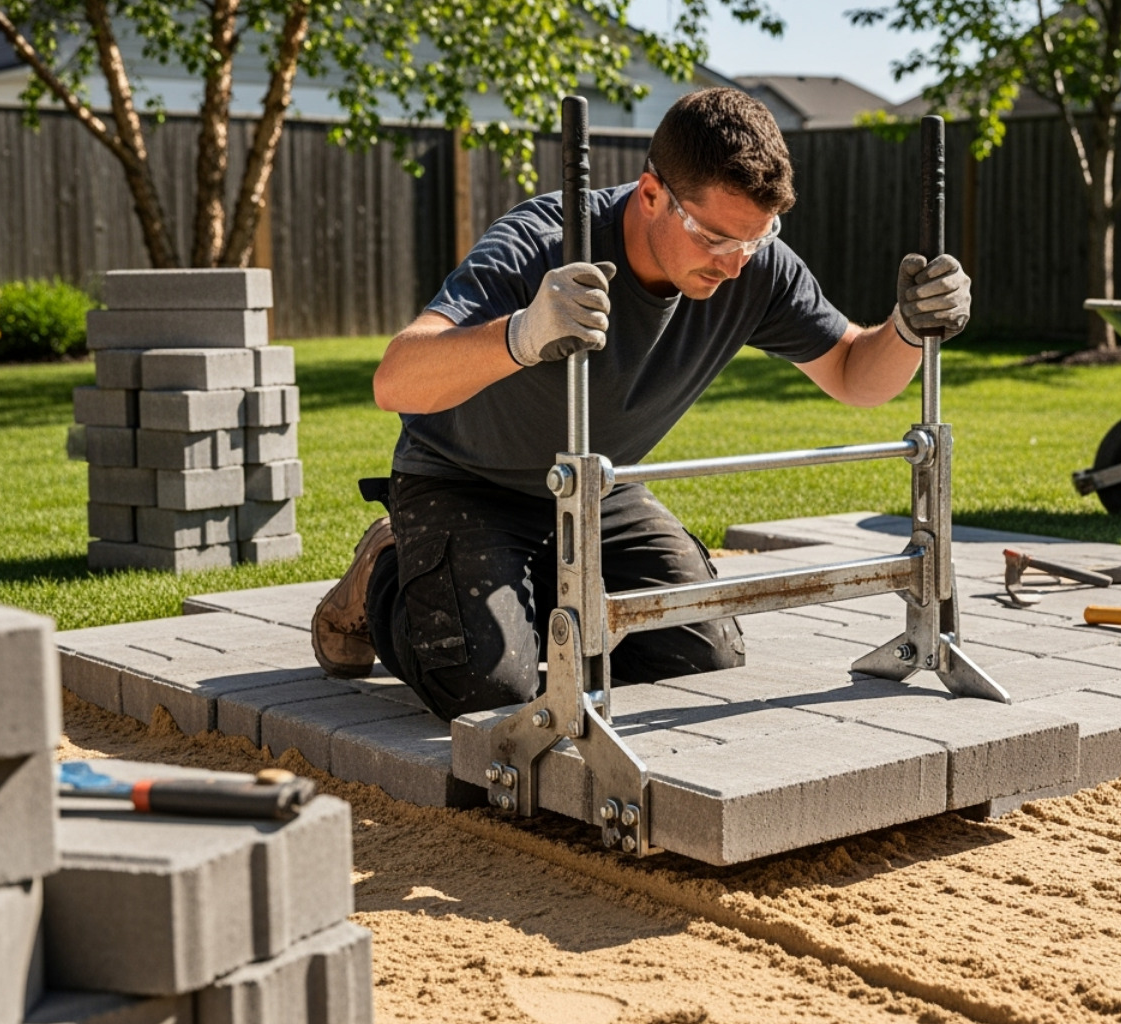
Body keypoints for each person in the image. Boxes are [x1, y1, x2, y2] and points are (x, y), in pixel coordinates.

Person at [310, 88, 971, 722]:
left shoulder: (756, 265)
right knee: (487, 687)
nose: (735, 264)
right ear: (652, 194)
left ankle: (520, 596)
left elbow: (857, 376)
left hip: (596, 486)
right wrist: (522, 334)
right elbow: (395, 380)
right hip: (466, 481)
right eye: (716, 239)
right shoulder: (547, 240)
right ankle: (387, 573)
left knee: (704, 654)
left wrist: (909, 330)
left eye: (756, 238)